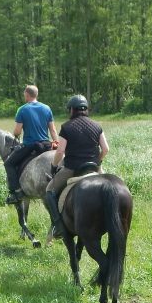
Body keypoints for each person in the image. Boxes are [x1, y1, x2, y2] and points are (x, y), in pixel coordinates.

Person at [43, 94, 109, 237]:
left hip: (73, 169)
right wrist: (98, 161)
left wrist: (54, 166)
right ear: (86, 109)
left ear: (71, 110)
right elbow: (105, 149)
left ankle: (58, 226)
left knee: (49, 191)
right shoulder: (97, 126)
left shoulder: (66, 127)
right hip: (94, 168)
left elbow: (60, 151)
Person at [4, 85, 58, 204]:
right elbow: (53, 130)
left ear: (27, 95)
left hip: (30, 145)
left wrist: (15, 134)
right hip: (46, 145)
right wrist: (56, 143)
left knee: (9, 163)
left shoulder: (22, 109)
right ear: (36, 95)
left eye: (24, 94)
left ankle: (16, 192)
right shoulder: (47, 108)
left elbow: (17, 132)